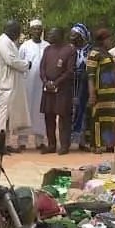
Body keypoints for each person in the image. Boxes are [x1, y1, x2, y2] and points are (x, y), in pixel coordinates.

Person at [0, 20, 31, 151]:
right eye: (17, 31)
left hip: (10, 86)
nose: (18, 34)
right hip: (4, 87)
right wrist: (27, 64)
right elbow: (12, 61)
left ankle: (6, 144)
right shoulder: (3, 41)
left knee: (9, 118)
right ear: (12, 31)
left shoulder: (9, 42)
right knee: (2, 117)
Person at [39, 27, 75, 155]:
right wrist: (45, 81)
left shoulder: (69, 50)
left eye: (52, 34)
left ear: (60, 35)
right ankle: (51, 145)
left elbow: (69, 71)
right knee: (49, 117)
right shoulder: (47, 49)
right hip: (48, 89)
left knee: (64, 118)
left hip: (62, 89)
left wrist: (56, 83)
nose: (49, 35)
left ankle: (64, 145)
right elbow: (42, 68)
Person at [85, 28, 115, 153]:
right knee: (98, 119)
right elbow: (90, 76)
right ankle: (96, 145)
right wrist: (92, 94)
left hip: (111, 94)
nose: (111, 41)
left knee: (111, 119)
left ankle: (110, 144)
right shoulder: (94, 54)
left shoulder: (108, 54)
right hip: (100, 93)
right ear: (103, 40)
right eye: (109, 38)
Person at [18, 19, 48, 150]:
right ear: (30, 31)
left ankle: (39, 141)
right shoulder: (25, 46)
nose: (37, 31)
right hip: (27, 84)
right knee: (25, 111)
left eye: (39, 28)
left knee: (40, 112)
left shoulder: (47, 46)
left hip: (42, 84)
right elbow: (19, 63)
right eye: (34, 28)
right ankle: (22, 141)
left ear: (42, 30)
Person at [69, 23, 91, 150]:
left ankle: (83, 141)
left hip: (86, 87)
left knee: (85, 112)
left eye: (75, 36)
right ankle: (68, 140)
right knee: (71, 112)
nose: (72, 38)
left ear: (81, 36)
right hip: (71, 86)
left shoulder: (90, 50)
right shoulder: (69, 50)